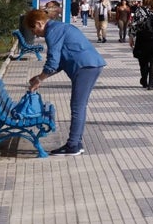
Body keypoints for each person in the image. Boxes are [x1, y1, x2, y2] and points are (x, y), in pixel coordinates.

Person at [24, 8, 106, 156]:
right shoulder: (58, 27)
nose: (34, 34)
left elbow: (53, 61)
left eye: (33, 29)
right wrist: (40, 77)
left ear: (39, 23)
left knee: (77, 106)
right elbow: (60, 63)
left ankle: (73, 145)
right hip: (90, 64)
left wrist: (39, 79)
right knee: (79, 106)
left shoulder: (52, 32)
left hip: (84, 66)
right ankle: (76, 143)